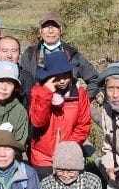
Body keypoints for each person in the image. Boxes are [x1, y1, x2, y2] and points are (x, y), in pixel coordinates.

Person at [28, 51, 92, 179]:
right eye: (57, 77)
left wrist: (66, 149)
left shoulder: (79, 93)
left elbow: (83, 125)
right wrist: (47, 93)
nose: (62, 81)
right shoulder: (38, 91)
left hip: (69, 154)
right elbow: (37, 121)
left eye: (65, 75)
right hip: (42, 156)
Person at [19, 11, 100, 100]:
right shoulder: (29, 55)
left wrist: (81, 100)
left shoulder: (73, 54)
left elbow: (95, 80)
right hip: (38, 107)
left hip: (67, 110)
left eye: (54, 26)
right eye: (46, 27)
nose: (50, 31)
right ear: (40, 31)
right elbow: (23, 83)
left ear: (61, 30)